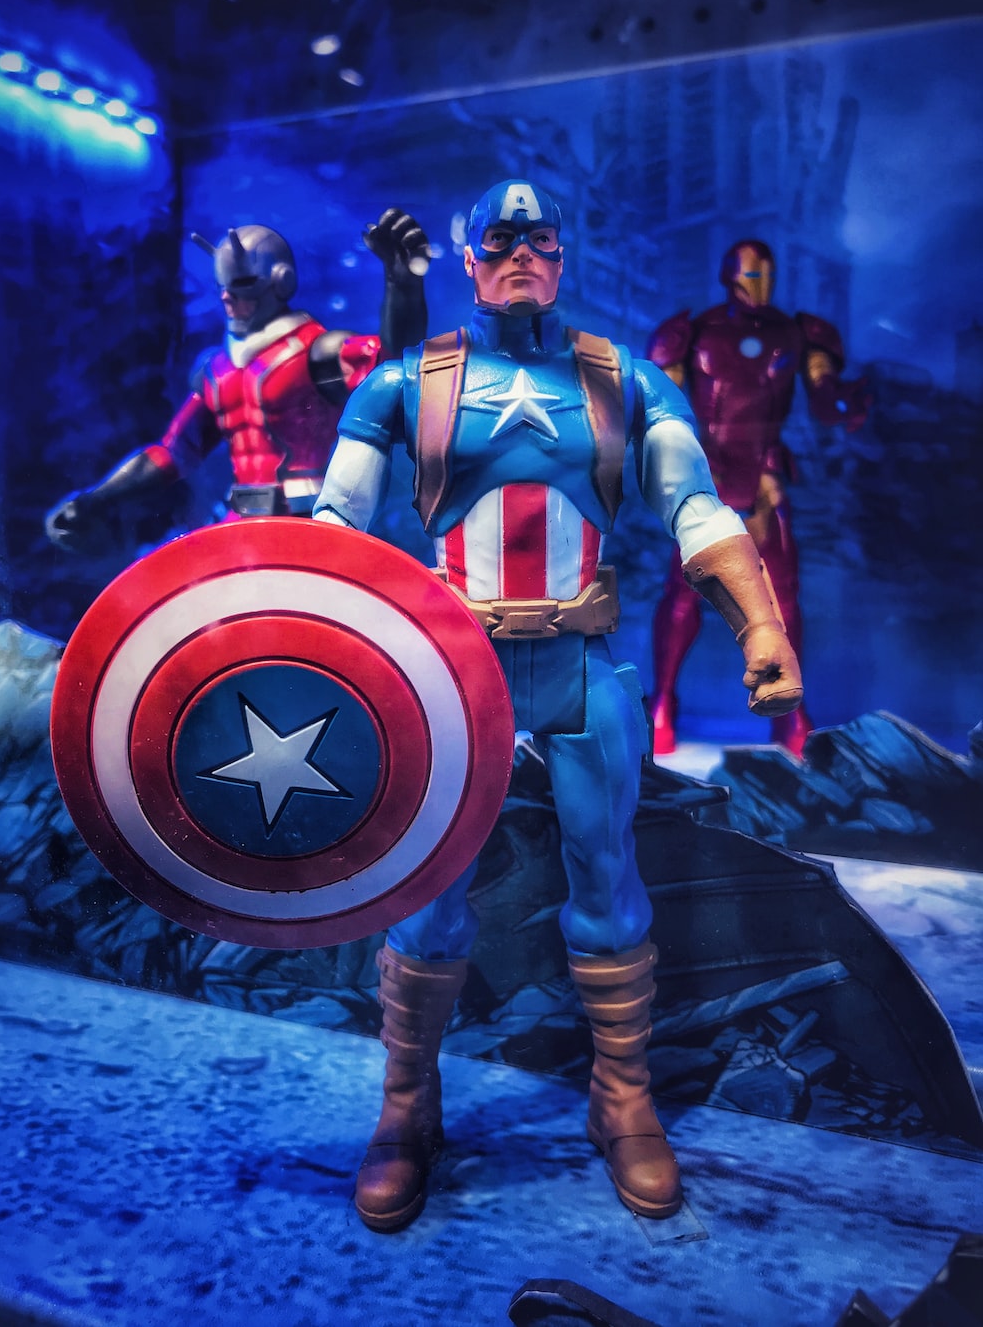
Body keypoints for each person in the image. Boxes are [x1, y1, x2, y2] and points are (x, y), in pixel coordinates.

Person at [313, 180, 803, 1232]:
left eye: (539, 238)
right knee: (429, 893)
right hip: (456, 673)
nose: (521, 254)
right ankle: (406, 1104)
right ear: (469, 258)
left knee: (608, 880)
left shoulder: (623, 378)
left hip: (580, 663)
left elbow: (695, 504)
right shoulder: (405, 383)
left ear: (562, 255)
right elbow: (336, 524)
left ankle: (621, 1096)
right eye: (499, 239)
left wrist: (759, 623)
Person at [45, 209, 430, 550]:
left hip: (309, 521)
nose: (228, 297)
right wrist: (94, 499)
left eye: (241, 284)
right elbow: (171, 454)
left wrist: (402, 286)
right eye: (223, 286)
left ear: (280, 281)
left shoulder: (315, 351)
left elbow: (393, 365)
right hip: (239, 524)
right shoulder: (216, 370)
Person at [646, 238, 868, 756]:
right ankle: (663, 704)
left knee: (782, 596)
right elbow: (663, 407)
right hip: (706, 477)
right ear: (729, 276)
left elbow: (825, 396)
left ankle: (788, 712)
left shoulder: (797, 333)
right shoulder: (691, 332)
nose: (761, 286)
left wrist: (844, 400)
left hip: (766, 476)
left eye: (768, 275)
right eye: (751, 275)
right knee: (684, 594)